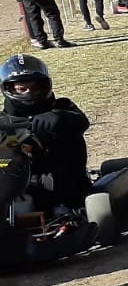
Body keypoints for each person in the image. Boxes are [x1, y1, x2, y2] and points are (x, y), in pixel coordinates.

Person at [0, 54, 91, 214]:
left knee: (67, 138)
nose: (29, 93)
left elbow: (81, 122)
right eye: (22, 89)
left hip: (60, 183)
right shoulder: (3, 120)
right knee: (5, 156)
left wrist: (57, 118)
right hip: (17, 184)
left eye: (34, 88)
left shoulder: (62, 107)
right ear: (9, 89)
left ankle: (68, 206)